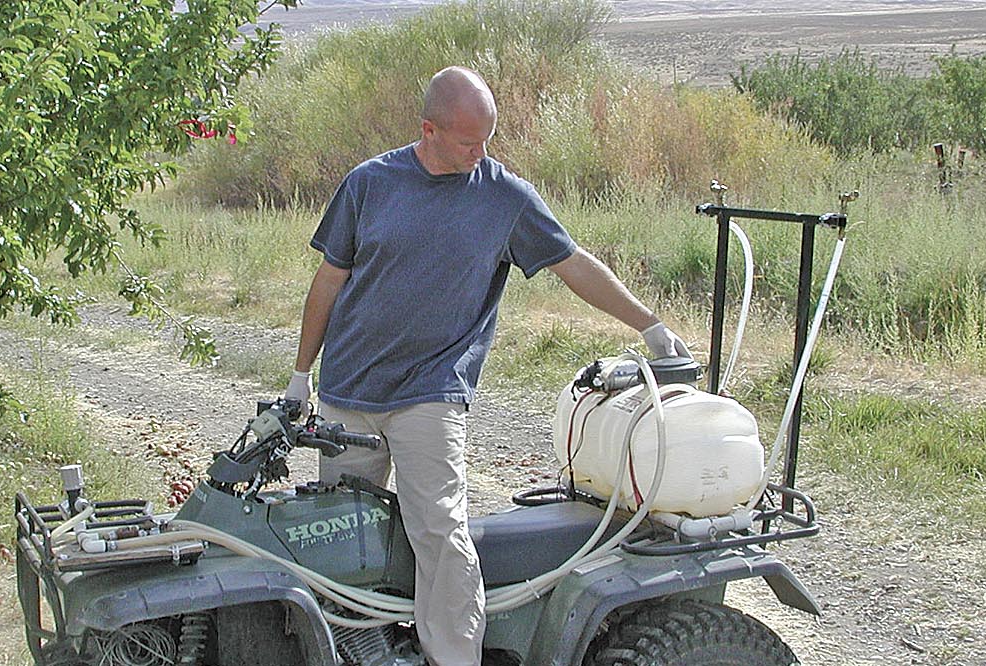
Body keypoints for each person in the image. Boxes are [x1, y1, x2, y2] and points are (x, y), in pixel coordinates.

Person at [284, 66, 692, 666]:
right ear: (428, 129)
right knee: (340, 537)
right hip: (349, 391)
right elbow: (328, 280)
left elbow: (574, 265)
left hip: (431, 393)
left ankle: (452, 658)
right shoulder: (369, 184)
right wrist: (300, 377)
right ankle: (354, 650)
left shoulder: (503, 196)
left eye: (488, 141)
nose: (482, 153)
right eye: (469, 142)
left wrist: (650, 326)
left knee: (441, 534)